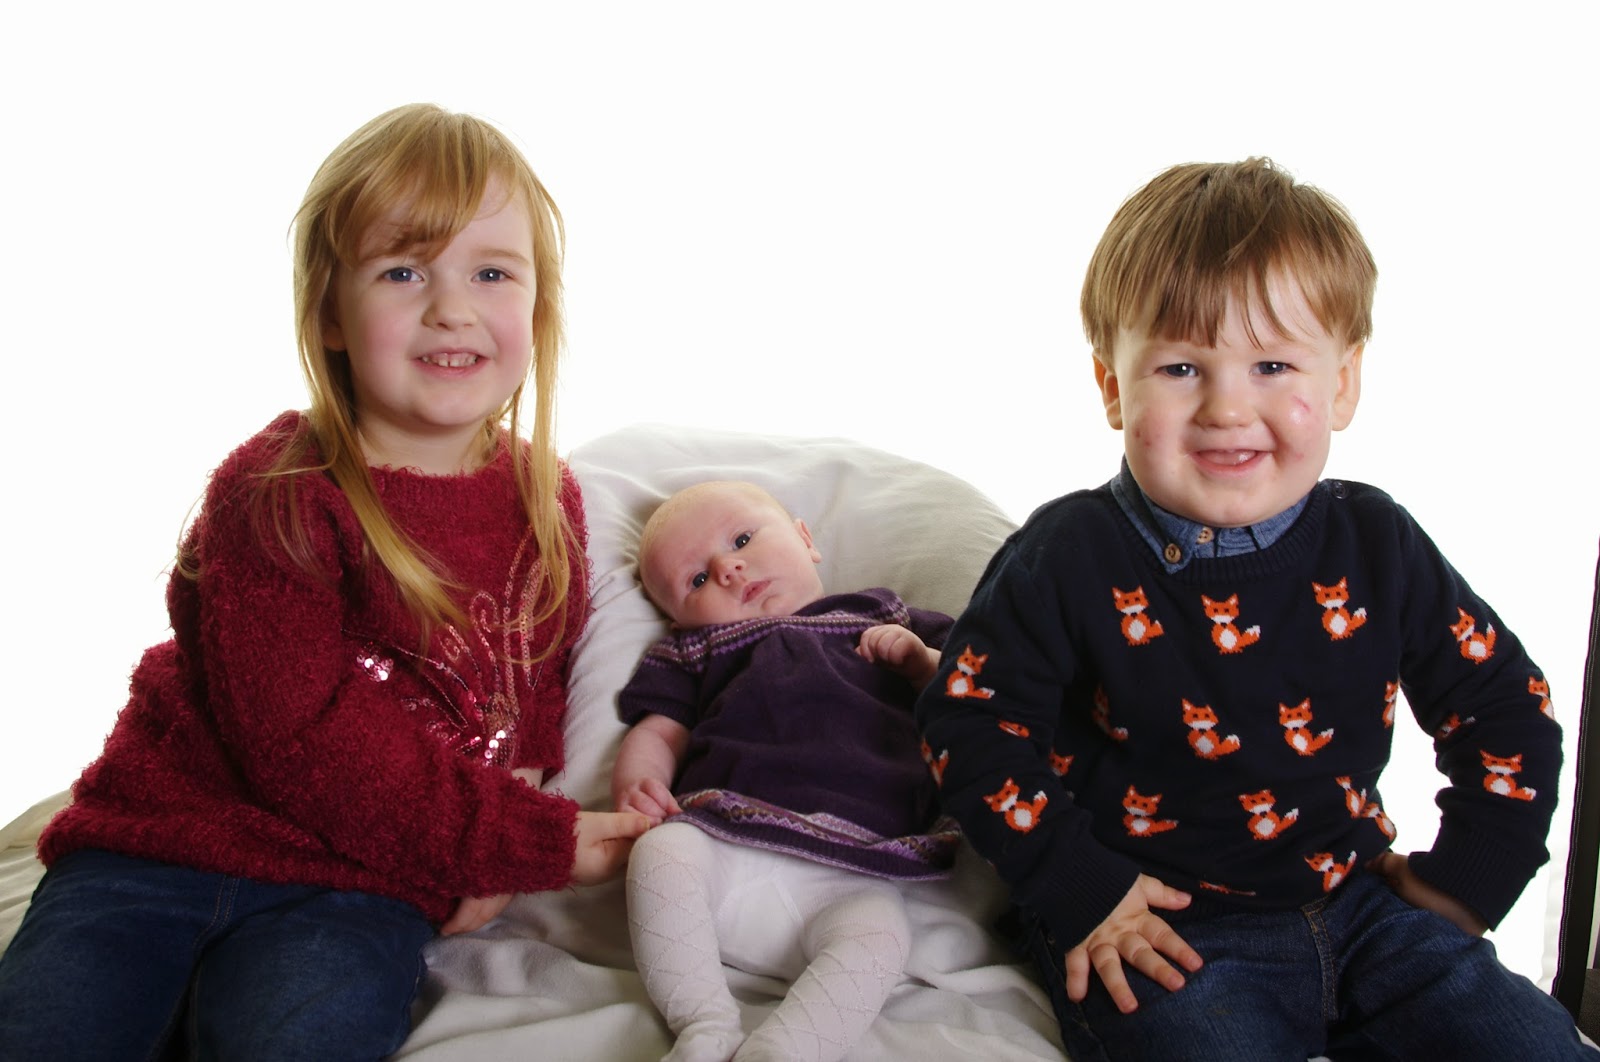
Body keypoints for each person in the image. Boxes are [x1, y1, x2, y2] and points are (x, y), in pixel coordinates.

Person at [0, 103, 651, 1061]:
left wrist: (501, 823)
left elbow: (531, 682)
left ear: (539, 307)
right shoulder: (279, 489)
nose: (452, 307)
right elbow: (303, 737)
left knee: (306, 1038)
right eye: (402, 271)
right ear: (328, 317)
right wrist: (521, 839)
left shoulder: (545, 498)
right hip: (161, 845)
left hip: (362, 881)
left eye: (491, 272)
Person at [915, 157, 1594, 1060]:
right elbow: (971, 721)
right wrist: (1084, 890)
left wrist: (1472, 879)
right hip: (1161, 927)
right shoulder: (1069, 555)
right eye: (1180, 367)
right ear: (1112, 386)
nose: (1228, 407)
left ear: (1342, 384)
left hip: (1364, 909)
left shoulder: (1378, 544)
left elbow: (1504, 704)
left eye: (1273, 365)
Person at [613, 480, 960, 1062]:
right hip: (725, 838)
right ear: (678, 621)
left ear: (806, 539)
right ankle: (703, 1024)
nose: (728, 569)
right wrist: (635, 786)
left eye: (742, 539)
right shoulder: (701, 649)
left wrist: (921, 663)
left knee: (881, 938)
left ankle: (783, 1051)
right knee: (660, 856)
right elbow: (658, 732)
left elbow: (977, 687)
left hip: (856, 865)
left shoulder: (884, 613)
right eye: (696, 580)